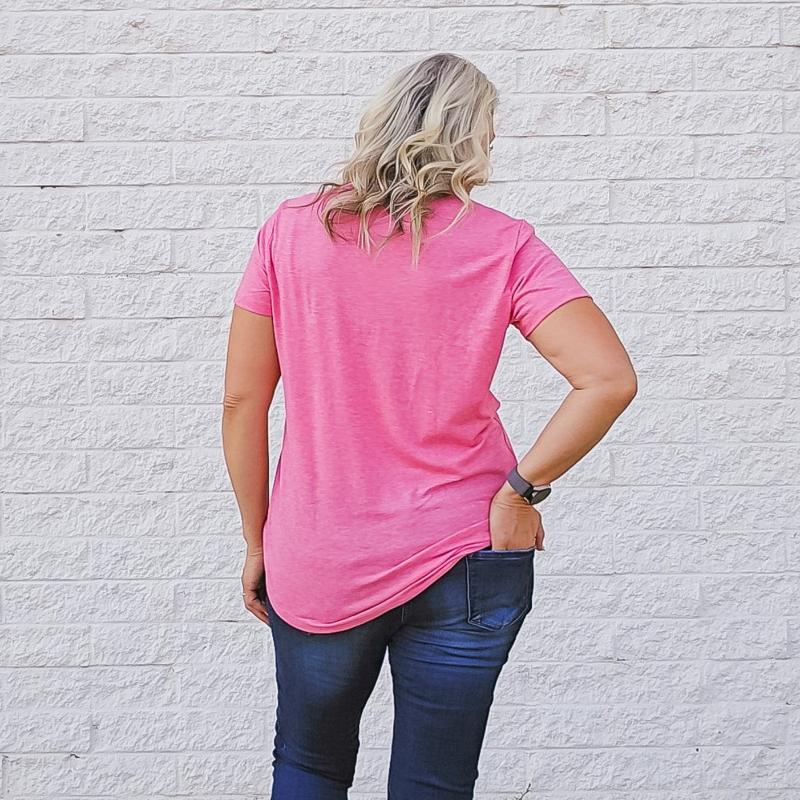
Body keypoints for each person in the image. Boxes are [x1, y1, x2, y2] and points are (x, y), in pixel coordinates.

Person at [222, 52, 637, 800]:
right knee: (435, 785)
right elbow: (606, 379)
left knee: (309, 766)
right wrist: (519, 493)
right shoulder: (506, 244)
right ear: (475, 137)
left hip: (321, 550)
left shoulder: (289, 233)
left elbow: (243, 403)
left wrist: (259, 539)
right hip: (467, 552)